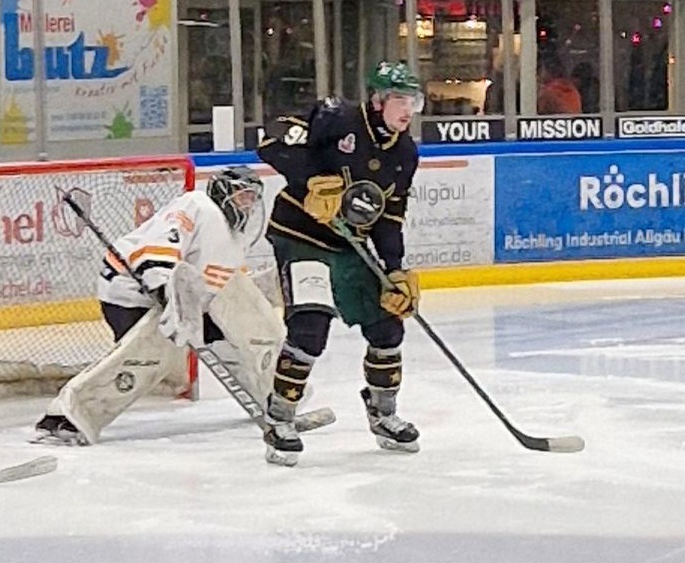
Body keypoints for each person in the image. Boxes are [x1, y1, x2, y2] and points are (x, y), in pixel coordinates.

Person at [32, 166, 286, 453]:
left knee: (240, 331)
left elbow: (223, 284)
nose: (248, 205)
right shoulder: (197, 205)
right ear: (223, 194)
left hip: (191, 302)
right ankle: (67, 417)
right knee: (149, 357)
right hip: (133, 295)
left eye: (253, 198)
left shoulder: (236, 234)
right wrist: (164, 289)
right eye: (243, 197)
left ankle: (273, 394)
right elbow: (158, 246)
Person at [256, 61, 423, 464]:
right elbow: (272, 140)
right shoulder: (336, 118)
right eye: (400, 99)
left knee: (387, 326)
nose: (407, 110)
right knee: (310, 329)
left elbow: (389, 217)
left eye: (414, 102)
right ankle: (280, 418)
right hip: (301, 238)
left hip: (352, 247)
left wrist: (394, 268)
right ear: (379, 99)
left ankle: (384, 414)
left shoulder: (404, 153)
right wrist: (310, 178)